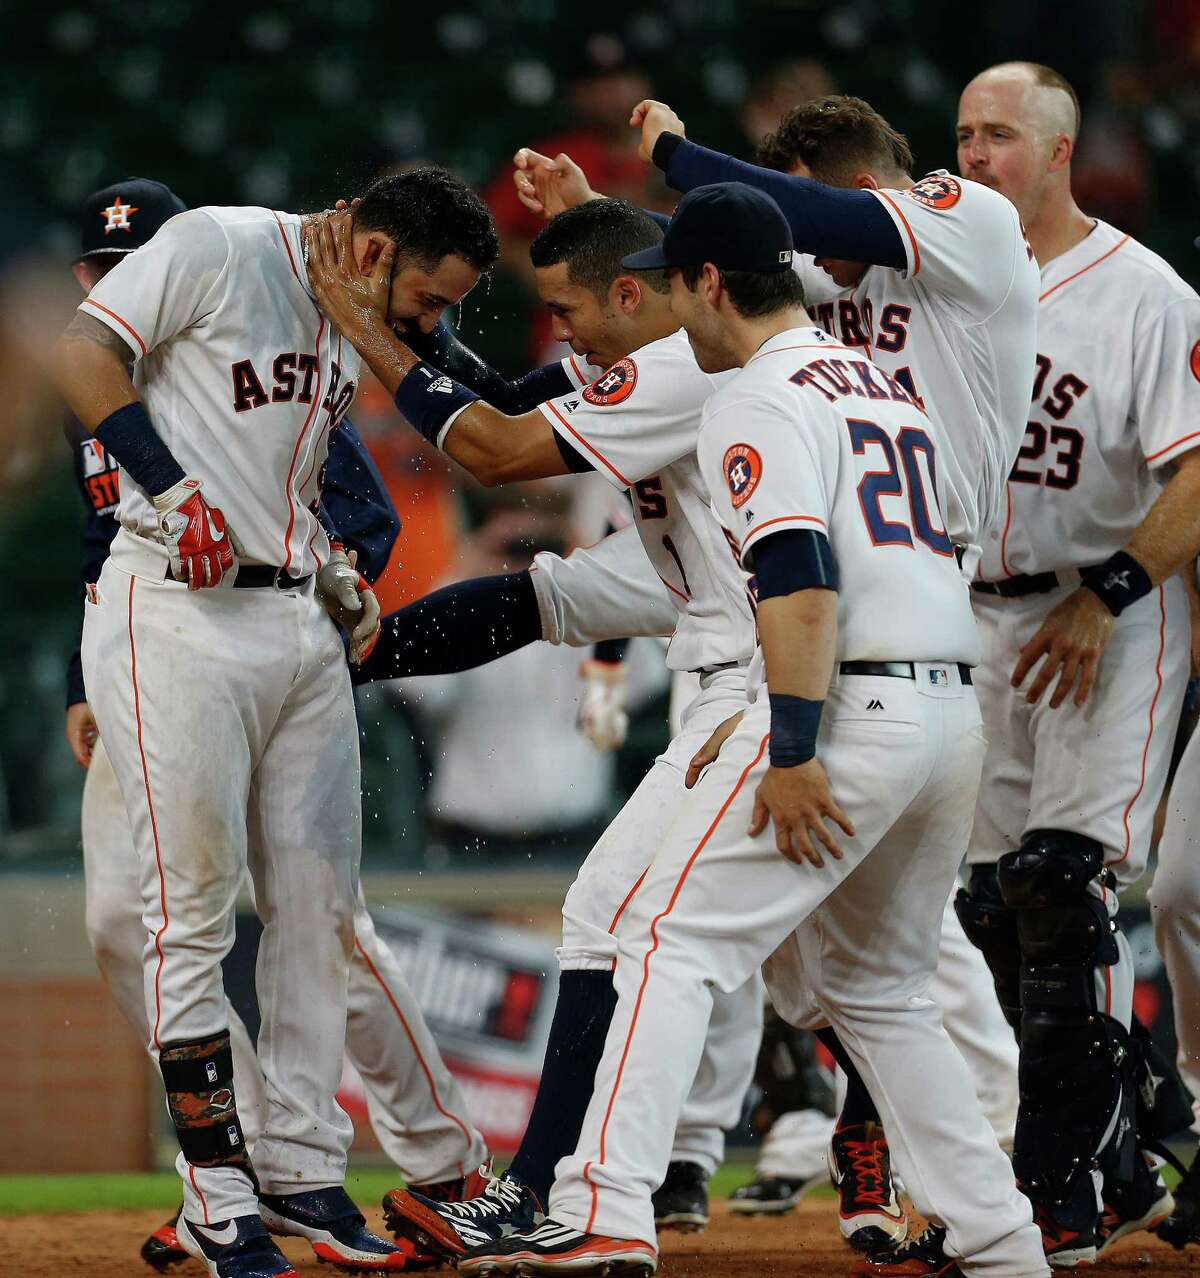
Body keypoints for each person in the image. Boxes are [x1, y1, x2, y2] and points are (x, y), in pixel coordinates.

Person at [460, 181, 1048, 1278]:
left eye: (675, 288)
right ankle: (1001, 1240)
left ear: (707, 281)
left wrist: (791, 747)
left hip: (846, 703)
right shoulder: (875, 376)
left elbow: (798, 579)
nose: (671, 317)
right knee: (884, 993)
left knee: (660, 940)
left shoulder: (754, 392)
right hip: (949, 714)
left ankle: (605, 1207)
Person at [52, 168, 498, 1278]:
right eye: (430, 298)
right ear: (374, 246)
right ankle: (215, 1193)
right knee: (185, 913)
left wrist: (335, 561)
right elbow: (78, 357)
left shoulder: (351, 295)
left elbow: (491, 402)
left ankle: (301, 1172)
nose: (429, 323)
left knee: (317, 913)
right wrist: (168, 487)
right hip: (177, 614)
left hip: (297, 613)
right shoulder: (218, 244)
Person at [305, 196, 768, 1254]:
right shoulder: (666, 375)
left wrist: (368, 328)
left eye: (569, 309)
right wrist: (423, 334)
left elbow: (500, 449)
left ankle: (587, 1200)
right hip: (730, 609)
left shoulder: (679, 367)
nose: (560, 331)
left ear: (634, 292)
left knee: (632, 924)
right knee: (881, 979)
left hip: (773, 663)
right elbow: (513, 417)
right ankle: (1019, 1209)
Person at [955, 61, 1200, 1262]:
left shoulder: (1147, 294)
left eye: (998, 136)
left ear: (1059, 154)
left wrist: (1110, 594)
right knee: (992, 914)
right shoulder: (940, 276)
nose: (974, 155)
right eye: (962, 136)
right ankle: (1137, 1129)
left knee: (1062, 888)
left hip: (1105, 609)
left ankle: (1062, 1184)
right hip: (975, 620)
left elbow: (1199, 474)